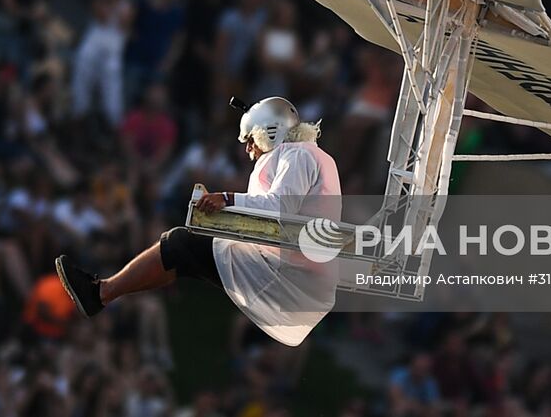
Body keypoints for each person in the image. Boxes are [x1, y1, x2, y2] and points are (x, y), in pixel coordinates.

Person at [56, 96, 342, 347]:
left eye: (250, 140)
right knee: (181, 250)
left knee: (181, 243)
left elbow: (279, 208)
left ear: (270, 133)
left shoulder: (298, 155)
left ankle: (101, 293)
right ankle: (102, 292)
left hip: (292, 275)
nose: (247, 150)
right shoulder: (307, 155)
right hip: (297, 271)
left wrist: (227, 198)